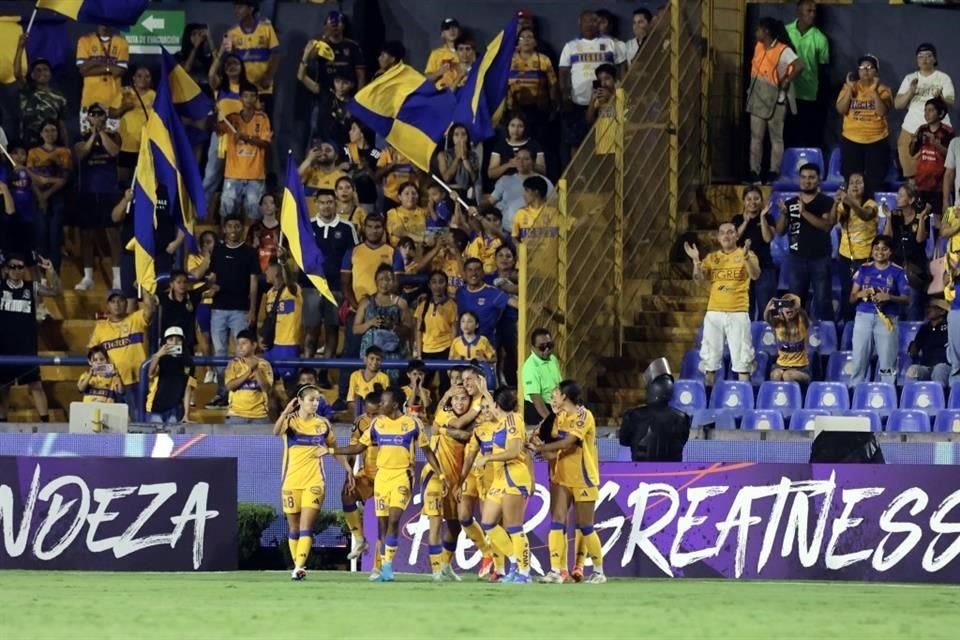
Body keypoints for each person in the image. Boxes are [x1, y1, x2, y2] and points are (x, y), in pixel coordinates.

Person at [325, 386, 446, 582]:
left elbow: (427, 451)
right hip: (382, 477)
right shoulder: (376, 425)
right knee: (382, 525)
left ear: (395, 404)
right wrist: (331, 452)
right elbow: (358, 447)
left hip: (402, 476)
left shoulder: (413, 424)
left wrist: (440, 473)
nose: (381, 405)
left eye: (384, 402)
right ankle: (382, 567)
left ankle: (388, 567)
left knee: (394, 520)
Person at [274, 385, 351, 580]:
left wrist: (347, 468)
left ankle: (299, 566)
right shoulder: (290, 422)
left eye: (317, 400)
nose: (315, 404)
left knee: (306, 527)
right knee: (293, 528)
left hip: (314, 481)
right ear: (300, 401)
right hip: (291, 481)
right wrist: (284, 412)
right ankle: (297, 566)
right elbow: (276, 432)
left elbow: (333, 447)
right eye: (311, 400)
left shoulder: (323, 424)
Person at [533, 379, 605, 584]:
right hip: (561, 477)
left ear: (564, 395)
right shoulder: (559, 417)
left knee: (585, 526)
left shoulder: (584, 416)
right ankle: (556, 570)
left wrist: (541, 449)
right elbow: (546, 439)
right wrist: (540, 444)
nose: (553, 395)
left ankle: (599, 571)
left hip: (583, 478)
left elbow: (567, 443)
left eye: (555, 392)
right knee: (557, 520)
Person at [460, 388, 533, 583]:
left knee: (514, 526)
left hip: (514, 476)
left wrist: (488, 458)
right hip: (500, 478)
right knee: (488, 523)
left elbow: (514, 450)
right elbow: (492, 405)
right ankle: (514, 562)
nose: (488, 408)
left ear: (499, 406)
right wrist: (483, 389)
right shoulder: (501, 420)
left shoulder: (513, 420)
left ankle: (524, 572)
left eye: (492, 404)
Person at [336, 214, 405, 411]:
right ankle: (344, 397)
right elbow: (345, 283)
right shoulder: (353, 251)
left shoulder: (392, 252)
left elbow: (398, 284)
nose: (374, 230)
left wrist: (385, 304)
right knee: (351, 354)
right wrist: (357, 306)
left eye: (377, 227)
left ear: (383, 229)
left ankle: (389, 400)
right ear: (364, 228)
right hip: (357, 311)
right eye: (370, 226)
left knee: (387, 356)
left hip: (385, 312)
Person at [195, 215, 259, 408]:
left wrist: (253, 309)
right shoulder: (218, 250)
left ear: (242, 229)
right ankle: (222, 393)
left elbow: (253, 282)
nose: (233, 229)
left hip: (240, 309)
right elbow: (212, 276)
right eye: (229, 226)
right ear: (224, 228)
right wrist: (210, 286)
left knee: (242, 352)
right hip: (218, 309)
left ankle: (242, 393)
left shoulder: (249, 252)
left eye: (237, 226)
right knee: (221, 353)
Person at [685, 223, 760, 386]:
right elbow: (698, 280)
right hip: (714, 313)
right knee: (710, 361)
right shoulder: (712, 258)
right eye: (723, 233)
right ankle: (709, 398)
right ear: (719, 238)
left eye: (730, 232)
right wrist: (696, 261)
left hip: (738, 312)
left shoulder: (747, 254)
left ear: (736, 236)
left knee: (743, 361)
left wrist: (746, 257)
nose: (726, 236)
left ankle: (743, 400)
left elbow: (755, 275)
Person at [296, 188, 357, 378]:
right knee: (311, 330)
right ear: (316, 204)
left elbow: (354, 256)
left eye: (330, 202)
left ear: (336, 203)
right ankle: (307, 372)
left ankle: (323, 373)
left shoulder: (348, 228)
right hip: (310, 286)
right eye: (322, 202)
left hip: (336, 287)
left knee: (332, 329)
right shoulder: (307, 226)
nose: (326, 206)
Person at [421, 385, 472, 582]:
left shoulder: (469, 419)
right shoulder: (445, 412)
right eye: (456, 399)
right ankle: (435, 571)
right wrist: (443, 428)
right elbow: (462, 434)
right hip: (435, 476)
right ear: (450, 401)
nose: (460, 402)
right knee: (436, 524)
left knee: (455, 526)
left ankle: (445, 565)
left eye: (464, 399)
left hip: (454, 480)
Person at [0, 254, 59, 423]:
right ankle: (2, 428)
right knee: (3, 388)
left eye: (20, 267)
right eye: (13, 267)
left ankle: (45, 425)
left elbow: (56, 291)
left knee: (36, 386)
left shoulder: (31, 287)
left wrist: (51, 271)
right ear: (6, 269)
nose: (16, 270)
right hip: (4, 346)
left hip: (26, 346)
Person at [559, 11, 626, 158]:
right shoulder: (571, 46)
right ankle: (576, 176)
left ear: (599, 23)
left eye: (594, 21)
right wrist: (565, 96)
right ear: (579, 23)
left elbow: (622, 68)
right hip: (579, 102)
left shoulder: (611, 43)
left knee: (606, 143)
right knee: (578, 142)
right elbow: (563, 72)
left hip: (607, 102)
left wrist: (619, 92)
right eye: (586, 21)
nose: (590, 24)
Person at [774, 163, 836, 320]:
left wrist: (804, 212)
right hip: (796, 258)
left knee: (823, 300)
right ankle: (796, 335)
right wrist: (783, 214)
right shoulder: (790, 203)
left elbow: (826, 226)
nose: (807, 181)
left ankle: (828, 336)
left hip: (820, 258)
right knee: (795, 302)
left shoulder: (826, 202)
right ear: (798, 179)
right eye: (803, 177)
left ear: (818, 180)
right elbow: (780, 232)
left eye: (811, 177)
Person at [746, 17, 803, 184]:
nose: (756, 32)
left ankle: (773, 172)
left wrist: (787, 80)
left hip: (776, 99)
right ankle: (754, 173)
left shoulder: (783, 50)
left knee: (776, 138)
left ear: (767, 32)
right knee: (756, 137)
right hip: (757, 98)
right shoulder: (758, 46)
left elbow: (799, 66)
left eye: (759, 29)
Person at [849, 236, 910, 386]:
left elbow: (907, 299)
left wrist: (889, 297)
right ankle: (854, 394)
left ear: (890, 252)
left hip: (887, 319)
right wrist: (859, 294)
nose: (880, 252)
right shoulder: (864, 269)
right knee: (858, 360)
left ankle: (888, 396)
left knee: (887, 364)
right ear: (872, 250)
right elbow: (851, 298)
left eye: (884, 249)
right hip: (863, 316)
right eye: (876, 249)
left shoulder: (898, 272)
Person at [73, 103, 120, 292]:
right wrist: (93, 134)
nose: (96, 117)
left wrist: (101, 133)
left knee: (113, 233)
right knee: (86, 234)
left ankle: (117, 278)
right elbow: (81, 154)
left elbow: (114, 151)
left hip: (109, 190)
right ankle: (88, 276)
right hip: (87, 191)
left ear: (105, 117)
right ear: (88, 118)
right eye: (92, 114)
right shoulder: (80, 138)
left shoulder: (114, 136)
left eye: (100, 114)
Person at [87, 289, 156, 412]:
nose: (117, 304)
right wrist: (105, 372)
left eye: (120, 301)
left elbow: (150, 309)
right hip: (111, 384)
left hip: (137, 382)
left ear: (126, 303)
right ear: (107, 305)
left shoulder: (135, 318)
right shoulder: (101, 327)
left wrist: (144, 290)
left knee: (138, 423)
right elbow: (91, 355)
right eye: (113, 301)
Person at [895, 43, 955, 182]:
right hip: (912, 130)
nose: (924, 59)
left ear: (935, 59)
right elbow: (898, 104)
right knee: (912, 177)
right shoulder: (910, 78)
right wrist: (910, 91)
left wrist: (940, 99)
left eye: (928, 56)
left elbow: (950, 104)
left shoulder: (943, 78)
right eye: (920, 56)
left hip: (939, 132)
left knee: (940, 176)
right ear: (917, 60)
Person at [836, 55, 894, 195]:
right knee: (851, 178)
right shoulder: (849, 87)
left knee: (876, 180)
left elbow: (882, 111)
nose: (865, 71)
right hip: (852, 139)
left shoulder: (883, 89)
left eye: (869, 68)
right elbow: (841, 109)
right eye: (862, 68)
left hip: (876, 139)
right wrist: (850, 89)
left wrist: (873, 91)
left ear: (876, 71)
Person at [618, 358, 691, 462]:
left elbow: (624, 441)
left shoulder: (632, 416)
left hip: (640, 474)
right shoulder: (682, 418)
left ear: (651, 390)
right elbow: (682, 440)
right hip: (673, 474)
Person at [342, 386, 382, 569]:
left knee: (382, 521)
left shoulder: (395, 424)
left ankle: (380, 565)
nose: (371, 418)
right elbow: (352, 450)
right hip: (367, 475)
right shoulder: (360, 422)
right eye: (369, 413)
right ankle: (359, 539)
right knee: (347, 493)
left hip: (387, 477)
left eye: (375, 414)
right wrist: (349, 473)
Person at [220, 83, 272, 220]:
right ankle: (225, 240)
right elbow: (214, 128)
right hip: (233, 174)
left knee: (254, 212)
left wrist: (246, 137)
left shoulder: (262, 118)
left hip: (255, 175)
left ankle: (253, 239)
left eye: (252, 96)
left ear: (256, 98)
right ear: (240, 98)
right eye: (245, 96)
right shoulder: (232, 118)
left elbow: (266, 143)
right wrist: (212, 112)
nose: (249, 99)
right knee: (227, 211)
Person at [27, 119, 72, 273]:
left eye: (53, 130)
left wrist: (46, 193)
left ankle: (54, 275)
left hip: (57, 198)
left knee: (55, 236)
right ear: (41, 133)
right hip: (38, 197)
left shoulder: (65, 152)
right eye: (46, 130)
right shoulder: (33, 152)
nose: (50, 134)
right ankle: (41, 277)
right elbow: (31, 177)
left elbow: (64, 179)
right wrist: (40, 196)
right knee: (41, 234)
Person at [784, 0, 830, 151]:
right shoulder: (785, 31)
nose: (812, 14)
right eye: (808, 10)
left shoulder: (820, 38)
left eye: (814, 11)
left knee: (808, 134)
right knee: (786, 133)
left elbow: (823, 67)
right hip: (786, 90)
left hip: (809, 93)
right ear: (799, 11)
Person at [204, 52, 247, 209]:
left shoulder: (248, 89)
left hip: (241, 139)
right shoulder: (219, 87)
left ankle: (234, 216)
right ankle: (201, 215)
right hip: (221, 137)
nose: (232, 66)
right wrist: (221, 52)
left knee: (238, 178)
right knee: (211, 176)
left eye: (235, 63)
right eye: (228, 64)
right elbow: (211, 73)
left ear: (242, 67)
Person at [884, 184, 932, 322]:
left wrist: (922, 219)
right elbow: (886, 239)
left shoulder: (922, 216)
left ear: (910, 200)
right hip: (896, 267)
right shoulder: (895, 216)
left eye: (901, 195)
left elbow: (920, 239)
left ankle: (912, 337)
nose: (897, 198)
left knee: (912, 306)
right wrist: (888, 218)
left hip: (914, 269)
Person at [835, 174, 879, 321]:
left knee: (865, 293)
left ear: (865, 186)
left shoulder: (871, 204)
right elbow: (832, 221)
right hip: (846, 257)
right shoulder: (843, 206)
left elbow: (865, 215)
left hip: (866, 258)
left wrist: (850, 201)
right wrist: (835, 204)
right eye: (851, 183)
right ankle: (848, 324)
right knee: (847, 293)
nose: (854, 185)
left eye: (859, 183)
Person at [226, 0, 280, 114]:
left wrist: (269, 76)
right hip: (243, 91)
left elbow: (276, 54)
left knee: (264, 125)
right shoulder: (232, 33)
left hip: (263, 89)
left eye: (240, 7)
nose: (236, 10)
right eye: (235, 7)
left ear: (251, 9)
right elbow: (231, 61)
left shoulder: (266, 28)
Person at [354, 265, 411, 373]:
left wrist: (393, 326)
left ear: (393, 281)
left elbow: (408, 329)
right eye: (381, 279)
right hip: (370, 352)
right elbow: (356, 329)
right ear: (375, 281)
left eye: (388, 279)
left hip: (393, 352)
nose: (384, 283)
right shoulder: (366, 302)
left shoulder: (401, 303)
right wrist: (370, 323)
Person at [731, 187, 776, 321]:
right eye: (749, 199)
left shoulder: (768, 218)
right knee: (745, 310)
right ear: (743, 201)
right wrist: (745, 221)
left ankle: (765, 340)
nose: (753, 202)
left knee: (766, 309)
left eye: (756, 199)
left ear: (761, 201)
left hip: (765, 268)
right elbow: (735, 238)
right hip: (743, 270)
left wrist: (762, 217)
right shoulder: (737, 219)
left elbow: (768, 238)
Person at [13, 39, 68, 149]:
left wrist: (65, 147)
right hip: (28, 143)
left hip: (50, 145)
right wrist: (20, 48)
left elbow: (61, 124)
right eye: (37, 70)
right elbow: (18, 73)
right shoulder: (27, 90)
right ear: (32, 75)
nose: (42, 73)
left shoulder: (60, 98)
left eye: (45, 69)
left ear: (50, 74)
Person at [507, 27, 558, 143]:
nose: (526, 40)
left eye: (529, 37)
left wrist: (554, 107)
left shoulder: (544, 60)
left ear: (535, 42)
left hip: (538, 109)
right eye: (522, 37)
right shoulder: (509, 60)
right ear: (517, 42)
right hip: (514, 109)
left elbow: (553, 84)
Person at [487, 148, 553, 232]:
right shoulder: (505, 180)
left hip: (535, 233)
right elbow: (490, 202)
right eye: (518, 158)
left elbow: (553, 205)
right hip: (507, 233)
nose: (521, 162)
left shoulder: (544, 182)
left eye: (526, 159)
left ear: (533, 161)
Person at [456, 257, 518, 345]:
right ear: (465, 274)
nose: (474, 273)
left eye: (477, 270)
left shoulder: (493, 293)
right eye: (470, 270)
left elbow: (517, 304)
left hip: (486, 348)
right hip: (462, 347)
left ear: (483, 273)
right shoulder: (460, 292)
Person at [260, 260, 302, 386]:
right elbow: (266, 320)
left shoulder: (292, 290)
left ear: (276, 272)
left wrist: (283, 263)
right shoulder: (269, 293)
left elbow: (290, 283)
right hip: (271, 346)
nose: (265, 272)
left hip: (288, 344)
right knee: (269, 384)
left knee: (289, 385)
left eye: (268, 269)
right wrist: (261, 338)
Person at [413, 271, 458, 390]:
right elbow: (418, 330)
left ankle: (444, 408)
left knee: (445, 385)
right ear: (429, 285)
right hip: (426, 350)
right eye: (434, 282)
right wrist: (418, 353)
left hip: (445, 349)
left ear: (446, 284)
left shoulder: (452, 305)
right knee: (422, 385)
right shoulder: (423, 304)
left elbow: (454, 330)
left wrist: (452, 353)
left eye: (441, 282)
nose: (437, 285)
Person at [76, 24, 128, 121]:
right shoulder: (84, 40)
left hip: (113, 103)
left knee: (111, 136)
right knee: (89, 136)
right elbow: (83, 70)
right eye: (101, 21)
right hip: (89, 101)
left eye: (107, 21)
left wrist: (92, 63)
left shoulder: (122, 42)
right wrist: (108, 67)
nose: (104, 24)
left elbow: (118, 71)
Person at [112, 65, 155, 183]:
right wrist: (124, 107)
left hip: (146, 145)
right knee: (123, 181)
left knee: (145, 181)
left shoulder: (155, 96)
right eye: (139, 76)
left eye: (147, 76)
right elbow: (112, 113)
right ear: (134, 78)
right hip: (126, 144)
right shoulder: (125, 93)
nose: (143, 79)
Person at [910, 98, 953, 213]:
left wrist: (936, 145)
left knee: (941, 217)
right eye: (925, 110)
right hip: (921, 183)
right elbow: (912, 153)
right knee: (920, 216)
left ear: (941, 113)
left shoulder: (947, 132)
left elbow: (952, 157)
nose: (926, 114)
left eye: (930, 110)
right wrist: (913, 141)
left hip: (940, 185)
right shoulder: (921, 129)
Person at [145, 326, 195, 425]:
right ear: (165, 342)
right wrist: (158, 355)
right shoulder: (160, 360)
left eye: (178, 340)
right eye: (170, 339)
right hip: (155, 407)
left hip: (174, 409)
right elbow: (150, 373)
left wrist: (186, 414)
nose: (175, 342)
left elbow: (188, 388)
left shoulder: (188, 362)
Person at [225, 328, 273, 424]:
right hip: (236, 415)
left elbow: (267, 389)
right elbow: (229, 386)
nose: (240, 347)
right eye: (238, 344)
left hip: (260, 416)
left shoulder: (264, 365)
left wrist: (256, 369)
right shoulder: (233, 364)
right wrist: (249, 372)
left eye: (244, 343)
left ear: (254, 345)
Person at [308, 10, 366, 89]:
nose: (335, 25)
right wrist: (326, 35)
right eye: (331, 22)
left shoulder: (353, 46)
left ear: (343, 26)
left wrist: (358, 96)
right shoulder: (320, 44)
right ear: (325, 26)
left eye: (338, 22)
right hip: (325, 92)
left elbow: (360, 74)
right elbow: (311, 56)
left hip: (347, 93)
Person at [764, 293, 811, 384]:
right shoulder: (778, 323)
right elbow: (767, 318)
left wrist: (796, 304)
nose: (789, 308)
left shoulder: (802, 322)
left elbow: (802, 314)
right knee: (776, 374)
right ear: (781, 309)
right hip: (780, 365)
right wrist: (769, 307)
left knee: (788, 375)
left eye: (791, 306)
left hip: (801, 368)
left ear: (796, 309)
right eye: (786, 305)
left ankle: (796, 397)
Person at [521, 328, 562, 427]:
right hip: (538, 408)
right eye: (542, 347)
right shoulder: (530, 367)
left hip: (555, 404)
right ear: (533, 348)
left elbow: (559, 385)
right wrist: (550, 420)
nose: (547, 350)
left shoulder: (553, 359)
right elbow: (536, 398)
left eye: (549, 345)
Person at [488, 113, 546, 182]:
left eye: (520, 126)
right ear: (507, 126)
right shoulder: (500, 146)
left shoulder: (534, 145)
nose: (515, 130)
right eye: (512, 125)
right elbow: (491, 174)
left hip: (529, 185)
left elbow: (543, 172)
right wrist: (508, 165)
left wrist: (528, 163)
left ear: (525, 128)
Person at [907, 298, 950, 387]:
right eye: (927, 307)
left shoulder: (950, 326)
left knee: (939, 369)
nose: (928, 309)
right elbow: (914, 350)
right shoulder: (924, 328)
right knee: (913, 370)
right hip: (926, 367)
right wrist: (912, 348)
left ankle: (938, 399)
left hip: (944, 366)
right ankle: (911, 399)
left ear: (942, 311)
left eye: (932, 307)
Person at [158, 270, 201, 360]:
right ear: (171, 284)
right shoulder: (163, 298)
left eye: (185, 282)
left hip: (187, 344)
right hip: (168, 343)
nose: (182, 285)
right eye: (178, 282)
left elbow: (208, 288)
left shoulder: (192, 297)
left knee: (187, 371)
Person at [512, 176, 560, 244]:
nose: (523, 194)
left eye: (526, 190)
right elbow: (514, 237)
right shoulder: (520, 213)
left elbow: (575, 224)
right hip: (529, 254)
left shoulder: (553, 212)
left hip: (549, 254)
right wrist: (519, 248)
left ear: (536, 192)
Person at [437, 125, 480, 198]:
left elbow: (474, 179)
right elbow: (446, 178)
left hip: (468, 194)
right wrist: (457, 158)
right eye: (456, 134)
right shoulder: (443, 155)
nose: (460, 138)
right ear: (452, 138)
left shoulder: (473, 155)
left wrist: (465, 159)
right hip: (450, 193)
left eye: (463, 134)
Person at [347, 346, 390, 418]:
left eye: (378, 359)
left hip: (376, 413)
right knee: (358, 399)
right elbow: (350, 401)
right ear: (365, 359)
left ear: (381, 362)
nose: (374, 362)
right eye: (372, 358)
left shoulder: (384, 378)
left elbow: (385, 402)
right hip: (358, 411)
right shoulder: (355, 375)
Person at [375, 145, 416, 211]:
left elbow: (420, 175)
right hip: (390, 198)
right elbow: (377, 175)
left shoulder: (412, 152)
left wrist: (414, 167)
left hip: (409, 198)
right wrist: (391, 165)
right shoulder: (387, 151)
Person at [425, 18, 462, 89]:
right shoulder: (436, 54)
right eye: (447, 28)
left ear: (459, 32)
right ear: (442, 34)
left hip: (462, 92)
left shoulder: (467, 51)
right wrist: (440, 72)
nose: (452, 31)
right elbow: (426, 80)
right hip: (442, 93)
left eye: (454, 27)